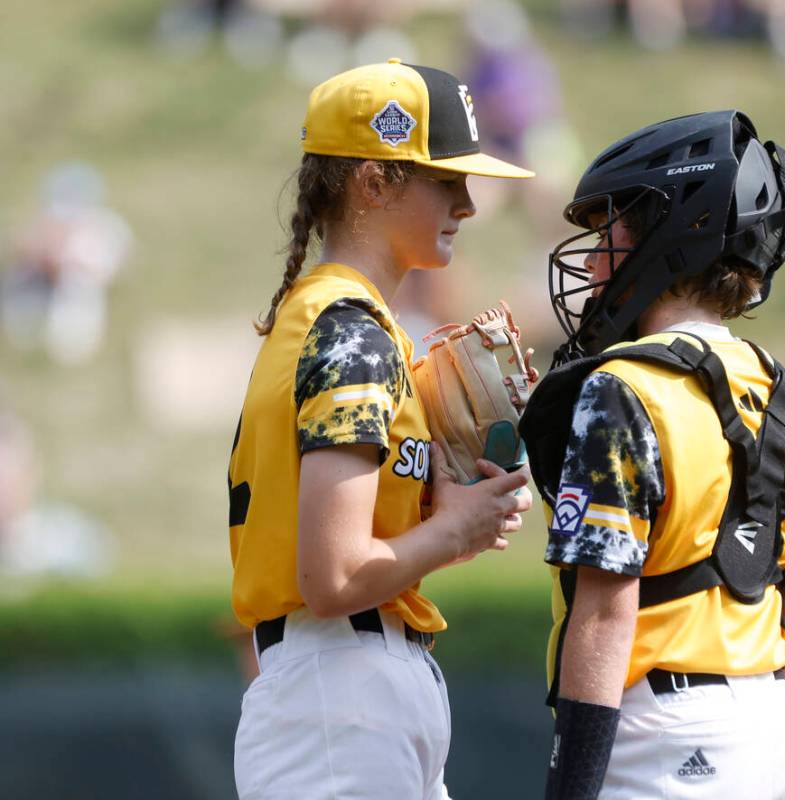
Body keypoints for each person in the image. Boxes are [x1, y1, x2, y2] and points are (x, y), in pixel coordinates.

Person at [227, 59, 534, 800]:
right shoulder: (352, 334)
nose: (467, 202)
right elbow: (332, 578)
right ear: (372, 182)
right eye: (444, 179)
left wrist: (456, 515)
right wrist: (453, 533)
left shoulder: (342, 322)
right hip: (342, 694)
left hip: (351, 691)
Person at [520, 111, 785, 798]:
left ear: (669, 235)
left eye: (610, 231)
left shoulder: (623, 389)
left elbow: (606, 613)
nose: (595, 255)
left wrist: (570, 787)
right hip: (776, 727)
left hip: (663, 736)